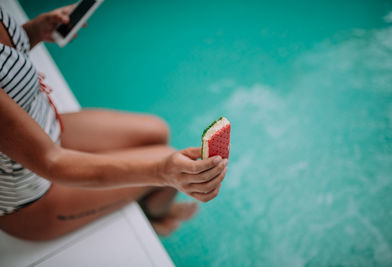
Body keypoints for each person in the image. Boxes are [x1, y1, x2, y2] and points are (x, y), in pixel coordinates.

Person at [0, 5, 228, 240]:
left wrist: (31, 32)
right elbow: (52, 161)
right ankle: (155, 214)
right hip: (32, 196)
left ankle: (144, 198)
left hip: (44, 130)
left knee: (157, 131)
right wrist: (161, 172)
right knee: (170, 163)